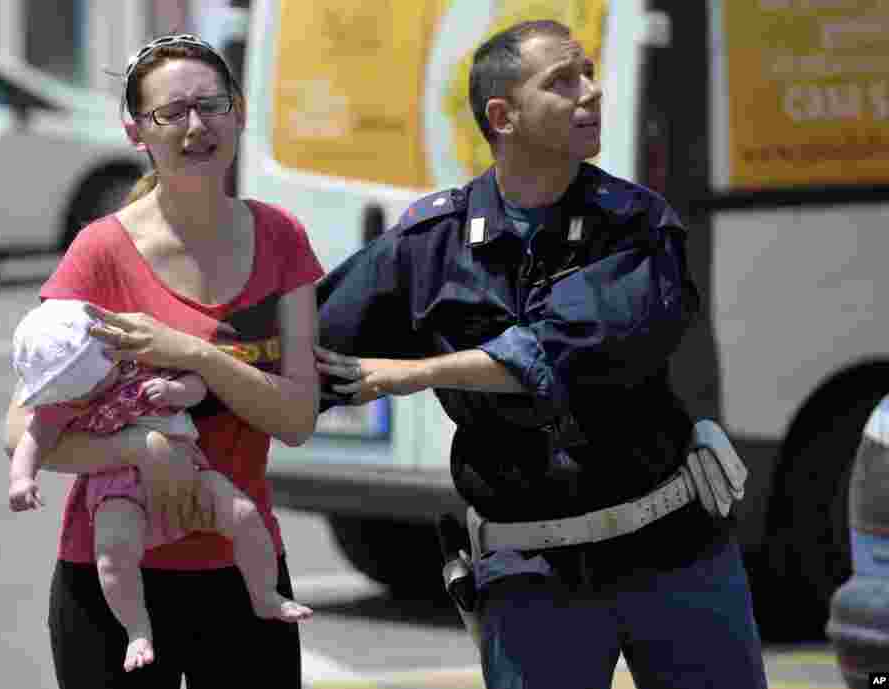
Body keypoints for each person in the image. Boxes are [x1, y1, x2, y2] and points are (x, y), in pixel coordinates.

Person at [313, 20, 768, 689]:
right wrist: (177, 379)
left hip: (673, 556)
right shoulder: (430, 244)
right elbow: (299, 351)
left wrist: (414, 374)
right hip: (532, 578)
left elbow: (567, 347)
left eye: (588, 72)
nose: (592, 91)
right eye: (563, 81)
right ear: (504, 116)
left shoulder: (636, 226)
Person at [2, 33, 323, 688]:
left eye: (210, 105)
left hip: (241, 571)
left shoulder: (282, 238)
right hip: (113, 579)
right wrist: (136, 448)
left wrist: (195, 354)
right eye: (170, 113)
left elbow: (296, 417)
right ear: (136, 131)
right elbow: (21, 429)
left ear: (238, 111)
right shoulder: (100, 251)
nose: (195, 126)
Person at [8, 298, 313, 671]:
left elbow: (199, 385)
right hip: (116, 489)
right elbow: (31, 438)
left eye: (86, 382)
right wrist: (22, 479)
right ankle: (137, 629)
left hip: (190, 472)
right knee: (112, 556)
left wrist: (176, 394)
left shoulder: (144, 364)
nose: (82, 394)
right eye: (71, 388)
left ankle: (265, 594)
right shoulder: (62, 404)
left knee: (245, 516)